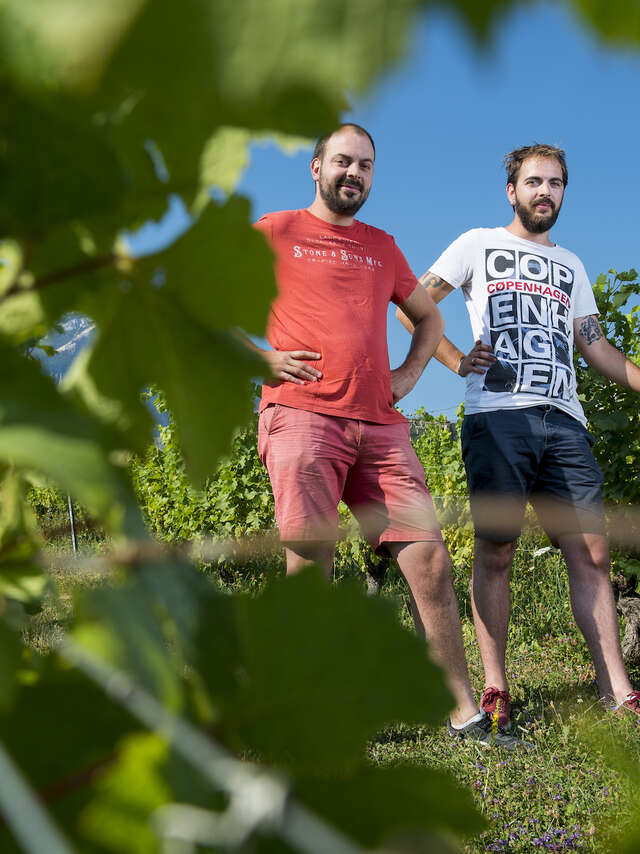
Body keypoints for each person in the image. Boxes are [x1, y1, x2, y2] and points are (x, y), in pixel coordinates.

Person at [249, 123, 517, 746]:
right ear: (315, 167)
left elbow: (427, 316)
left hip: (380, 424)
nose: (355, 174)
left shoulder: (381, 245)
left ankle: (461, 713)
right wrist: (255, 358)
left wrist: (410, 371)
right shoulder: (275, 230)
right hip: (301, 415)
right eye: (343, 161)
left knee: (427, 558)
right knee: (309, 561)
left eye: (366, 166)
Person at [398, 143, 640, 730]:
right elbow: (412, 305)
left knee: (593, 552)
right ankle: (496, 689)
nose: (545, 192)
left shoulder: (574, 267)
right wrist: (456, 361)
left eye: (556, 183)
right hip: (497, 417)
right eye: (534, 182)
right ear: (512, 190)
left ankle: (618, 690)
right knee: (497, 549)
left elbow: (596, 346)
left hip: (566, 421)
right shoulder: (478, 243)